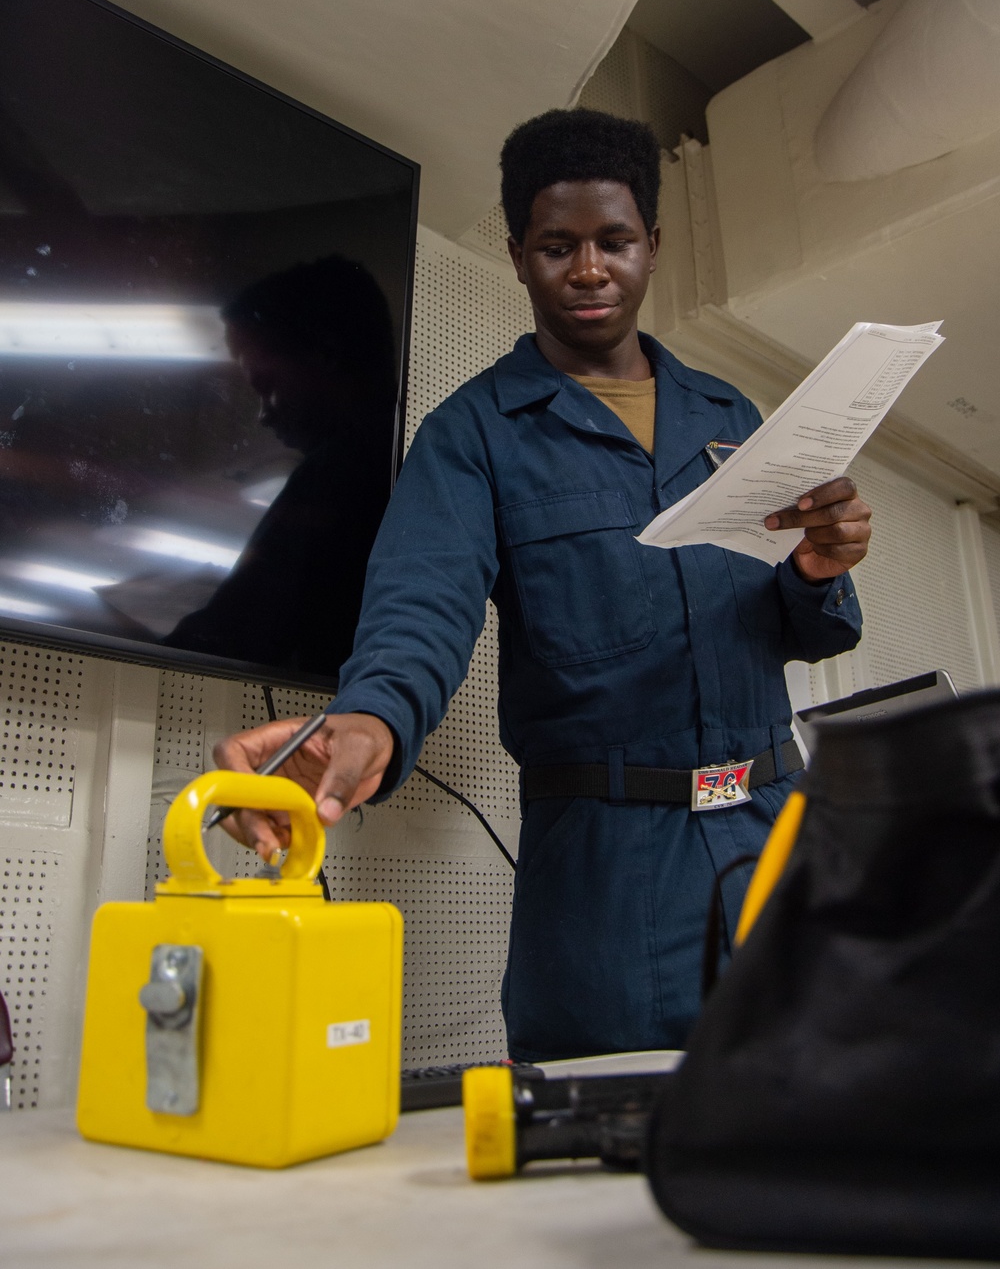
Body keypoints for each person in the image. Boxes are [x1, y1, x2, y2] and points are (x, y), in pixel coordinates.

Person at [214, 110, 871, 1061]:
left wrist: (820, 568)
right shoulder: (472, 435)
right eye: (558, 246)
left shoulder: (733, 414)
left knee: (826, 1105)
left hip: (779, 831)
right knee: (611, 1146)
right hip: (606, 865)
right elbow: (419, 607)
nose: (590, 268)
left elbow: (790, 627)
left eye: (615, 241)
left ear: (654, 245)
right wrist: (370, 722)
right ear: (521, 255)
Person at [165, 256, 397, 678]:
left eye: (266, 384)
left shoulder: (338, 475)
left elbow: (239, 630)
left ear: (325, 354)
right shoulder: (409, 465)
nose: (263, 416)